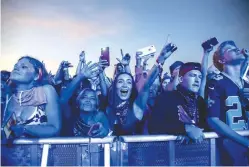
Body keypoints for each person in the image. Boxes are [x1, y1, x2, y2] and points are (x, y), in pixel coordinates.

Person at [205, 40, 249, 166]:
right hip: (230, 148)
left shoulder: (246, 84)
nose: (237, 49)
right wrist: (245, 142)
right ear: (222, 60)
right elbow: (213, 120)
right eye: (230, 49)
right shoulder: (216, 82)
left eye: (236, 47)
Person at [2, 56, 61, 138]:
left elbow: (55, 129)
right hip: (15, 150)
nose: (16, 68)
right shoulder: (10, 99)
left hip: (42, 150)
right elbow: (5, 135)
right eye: (15, 66)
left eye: (23, 67)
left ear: (36, 76)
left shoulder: (46, 91)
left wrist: (25, 129)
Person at [149, 62, 208, 144]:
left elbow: (207, 126)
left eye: (200, 77)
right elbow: (154, 126)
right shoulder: (166, 98)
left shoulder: (200, 101)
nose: (197, 80)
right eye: (193, 76)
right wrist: (185, 129)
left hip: (200, 152)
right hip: (172, 153)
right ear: (180, 79)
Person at [60, 60, 109, 137]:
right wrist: (80, 76)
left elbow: (106, 130)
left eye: (92, 98)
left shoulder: (100, 116)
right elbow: (63, 99)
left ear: (96, 104)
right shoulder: (71, 115)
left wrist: (104, 131)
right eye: (84, 97)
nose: (88, 100)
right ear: (78, 102)